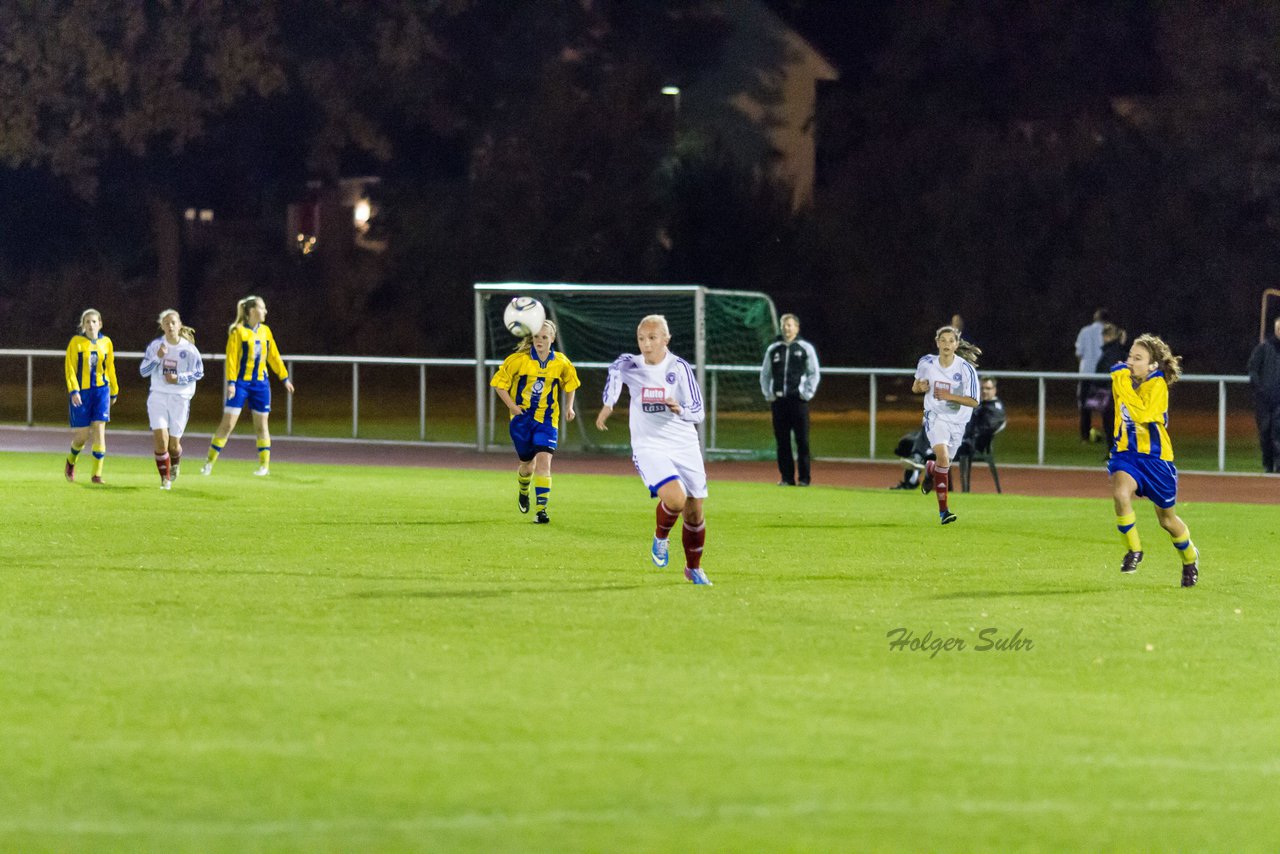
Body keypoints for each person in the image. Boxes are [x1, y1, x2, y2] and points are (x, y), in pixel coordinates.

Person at [596, 315, 712, 585]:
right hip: (649, 444)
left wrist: (679, 408)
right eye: (641, 338)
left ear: (666, 339)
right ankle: (661, 537)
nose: (646, 345)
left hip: (683, 443)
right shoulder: (629, 363)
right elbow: (615, 372)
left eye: (652, 338)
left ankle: (693, 568)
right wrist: (609, 404)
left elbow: (698, 411)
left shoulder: (679, 367)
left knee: (694, 510)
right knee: (675, 500)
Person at [1106, 334, 1199, 587]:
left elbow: (1141, 413)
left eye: (1138, 358)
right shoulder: (1123, 379)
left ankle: (1190, 558)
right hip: (1127, 455)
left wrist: (1121, 380)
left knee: (1167, 521)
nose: (1130, 362)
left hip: (1157, 461)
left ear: (1152, 366)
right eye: (1130, 357)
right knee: (1120, 494)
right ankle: (1134, 550)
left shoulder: (1157, 386)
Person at [489, 319, 580, 523]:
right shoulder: (518, 360)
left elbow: (570, 382)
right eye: (537, 337)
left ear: (552, 339)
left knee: (543, 462)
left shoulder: (561, 362)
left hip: (548, 420)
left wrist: (569, 406)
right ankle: (523, 489)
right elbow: (498, 384)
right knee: (527, 466)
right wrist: (513, 407)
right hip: (522, 421)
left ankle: (541, 510)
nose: (539, 340)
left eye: (544, 337)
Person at [200, 295, 295, 477]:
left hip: (261, 385)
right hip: (240, 384)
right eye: (262, 308)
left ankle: (264, 467)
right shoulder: (238, 332)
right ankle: (209, 463)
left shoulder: (266, 331)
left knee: (262, 426)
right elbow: (232, 359)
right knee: (227, 425)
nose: (265, 311)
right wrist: (232, 383)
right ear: (252, 311)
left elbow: (273, 356)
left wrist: (284, 378)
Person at [911, 325, 981, 524]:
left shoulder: (965, 369)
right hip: (935, 417)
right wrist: (919, 387)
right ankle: (944, 512)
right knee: (943, 456)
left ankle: (931, 469)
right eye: (943, 340)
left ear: (957, 344)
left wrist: (950, 396)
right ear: (937, 343)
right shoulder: (927, 363)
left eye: (951, 341)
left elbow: (975, 401)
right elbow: (916, 385)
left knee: (944, 463)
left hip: (958, 423)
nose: (947, 344)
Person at [139, 309, 204, 490]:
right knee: (161, 440)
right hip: (158, 396)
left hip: (180, 398)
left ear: (180, 325)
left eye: (174, 322)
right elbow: (144, 371)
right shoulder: (155, 347)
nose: (170, 326)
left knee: (173, 446)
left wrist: (179, 379)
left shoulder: (189, 349)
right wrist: (157, 358)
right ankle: (165, 479)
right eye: (166, 323)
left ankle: (175, 462)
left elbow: (199, 372)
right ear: (162, 326)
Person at [760, 313, 820, 485]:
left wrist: (805, 394)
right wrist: (769, 394)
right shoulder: (774, 349)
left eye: (790, 325)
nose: (787, 328)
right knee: (782, 442)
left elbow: (813, 373)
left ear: (797, 328)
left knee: (802, 442)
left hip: (798, 402)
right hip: (779, 403)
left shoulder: (804, 348)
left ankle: (804, 479)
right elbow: (765, 374)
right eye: (784, 325)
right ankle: (786, 478)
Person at [63, 308, 118, 484]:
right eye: (87, 322)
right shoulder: (76, 342)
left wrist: (114, 390)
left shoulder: (107, 343)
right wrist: (74, 390)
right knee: (82, 437)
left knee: (99, 431)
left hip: (102, 391)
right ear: (83, 325)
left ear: (100, 324)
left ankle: (96, 475)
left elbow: (110, 367)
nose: (91, 325)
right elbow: (70, 368)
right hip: (82, 393)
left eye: (94, 321)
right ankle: (71, 461)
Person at [1247, 316, 1280, 472]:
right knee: (1265, 433)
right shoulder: (1263, 348)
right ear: (1275, 330)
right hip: (1265, 401)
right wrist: (1260, 388)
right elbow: (1252, 369)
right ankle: (1268, 465)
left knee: (1278, 432)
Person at [1075, 307, 1108, 441]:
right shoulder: (1108, 332)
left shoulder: (1084, 331)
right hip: (1102, 375)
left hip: (1086, 374)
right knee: (1105, 408)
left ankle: (1085, 436)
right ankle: (1109, 436)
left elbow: (1078, 353)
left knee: (1085, 407)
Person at [1093, 323, 1127, 450]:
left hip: (1110, 392)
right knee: (1113, 423)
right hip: (1114, 392)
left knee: (1111, 423)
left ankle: (1114, 451)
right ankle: (1114, 450)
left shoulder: (1112, 351)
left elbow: (1107, 370)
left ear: (1108, 336)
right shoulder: (1117, 349)